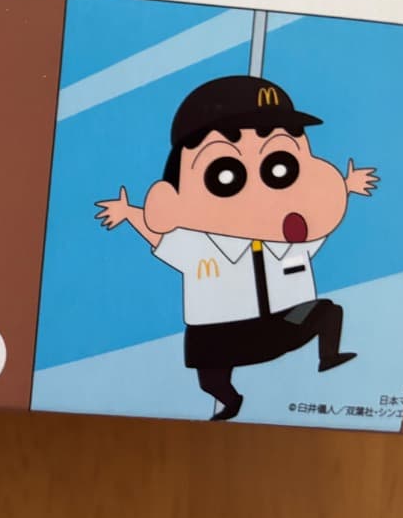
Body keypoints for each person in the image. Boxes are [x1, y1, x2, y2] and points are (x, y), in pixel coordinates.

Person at [95, 76, 378, 421]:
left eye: (280, 167)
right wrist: (131, 214)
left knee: (328, 311)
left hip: (282, 324)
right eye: (224, 174)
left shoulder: (289, 239)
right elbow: (160, 237)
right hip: (221, 333)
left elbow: (320, 219)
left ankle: (328, 357)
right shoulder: (199, 244)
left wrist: (344, 189)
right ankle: (231, 400)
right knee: (209, 379)